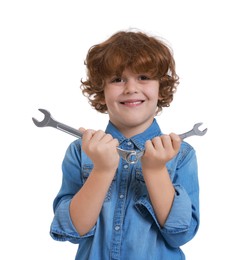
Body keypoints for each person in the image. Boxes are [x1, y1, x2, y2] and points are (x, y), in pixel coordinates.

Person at [50, 30, 200, 260]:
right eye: (117, 79)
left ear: (161, 87)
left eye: (143, 77)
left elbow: (180, 234)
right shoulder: (80, 152)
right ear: (101, 92)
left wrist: (155, 169)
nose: (131, 88)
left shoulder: (180, 155)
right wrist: (101, 170)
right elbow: (72, 230)